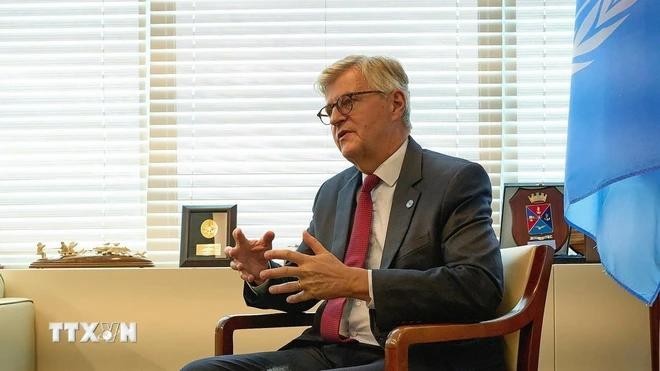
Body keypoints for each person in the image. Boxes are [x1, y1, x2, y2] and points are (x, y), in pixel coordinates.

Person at [182, 55, 505, 371]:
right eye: (330, 109)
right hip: (330, 350)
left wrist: (359, 283)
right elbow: (306, 288)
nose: (336, 118)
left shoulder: (453, 180)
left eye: (348, 102)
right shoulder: (333, 192)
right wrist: (263, 272)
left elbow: (478, 286)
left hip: (413, 352)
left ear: (395, 103)